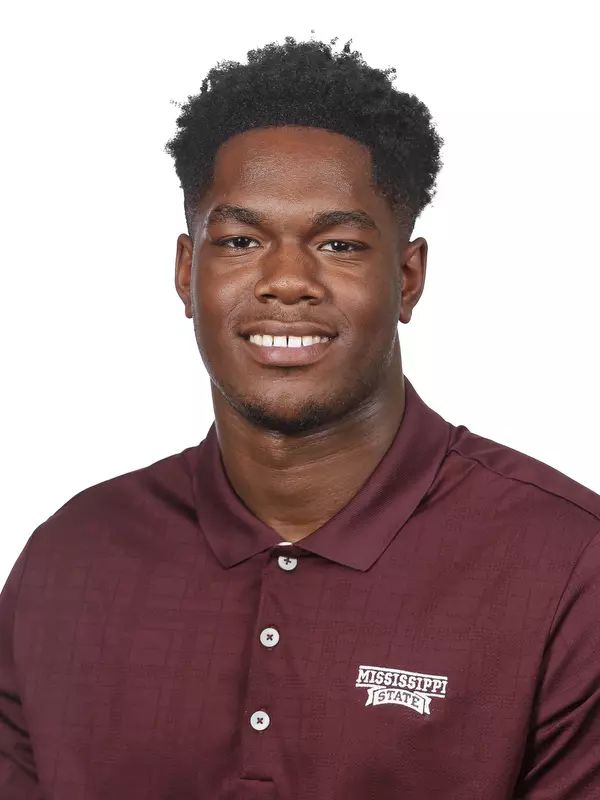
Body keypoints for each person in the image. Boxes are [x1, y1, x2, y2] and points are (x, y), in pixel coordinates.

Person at [1, 34, 599, 800]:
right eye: (242, 240)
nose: (287, 280)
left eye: (340, 243)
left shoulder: (568, 567)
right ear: (188, 273)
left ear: (408, 278)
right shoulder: (69, 562)